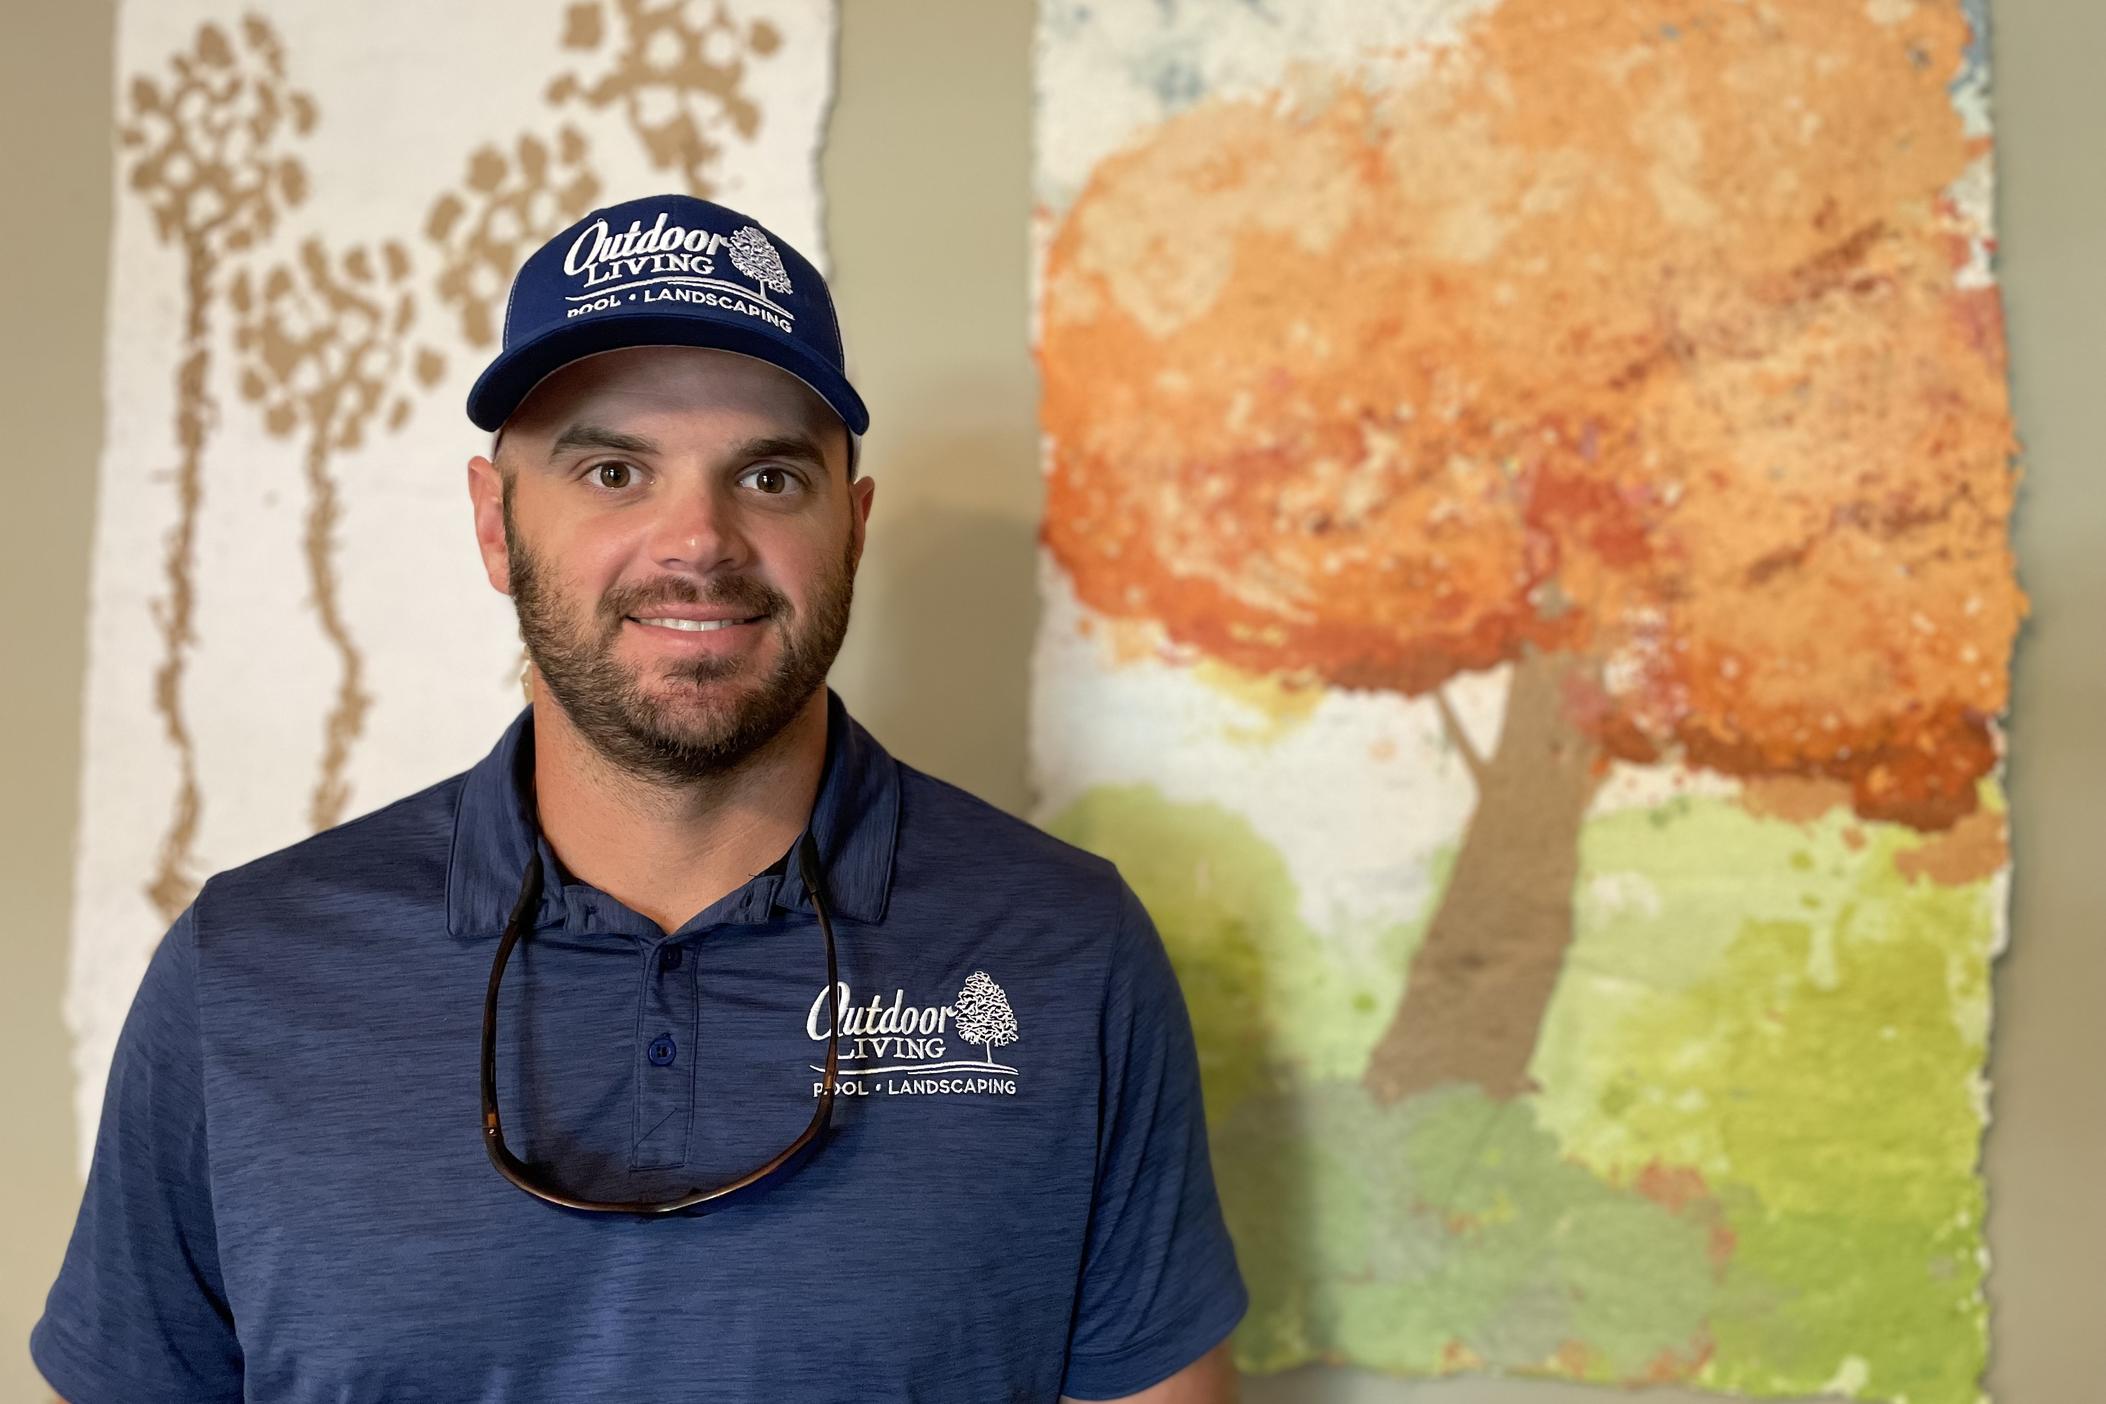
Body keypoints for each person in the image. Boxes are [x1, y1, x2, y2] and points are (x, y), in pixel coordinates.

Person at [31, 193, 1246, 1402]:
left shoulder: (1067, 950)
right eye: (614, 470)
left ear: (854, 527)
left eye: (769, 478)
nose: (698, 543)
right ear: (494, 525)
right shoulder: (245, 970)